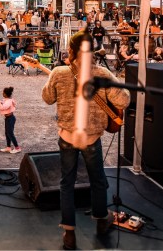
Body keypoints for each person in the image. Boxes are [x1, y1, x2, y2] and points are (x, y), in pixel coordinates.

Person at [41, 31, 130, 250]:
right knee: (98, 180)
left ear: (70, 51)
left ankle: (69, 233)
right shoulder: (102, 74)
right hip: (91, 138)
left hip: (67, 136)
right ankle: (102, 221)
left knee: (66, 183)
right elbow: (124, 99)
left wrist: (53, 80)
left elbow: (47, 98)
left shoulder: (59, 72)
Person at [0, 87, 21, 153]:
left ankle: (17, 148)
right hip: (8, 118)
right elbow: (2, 103)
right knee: (7, 133)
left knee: (10, 133)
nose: (2, 93)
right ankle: (8, 147)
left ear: (5, 94)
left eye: (3, 93)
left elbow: (2, 107)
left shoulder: (8, 101)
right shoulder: (7, 100)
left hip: (10, 119)